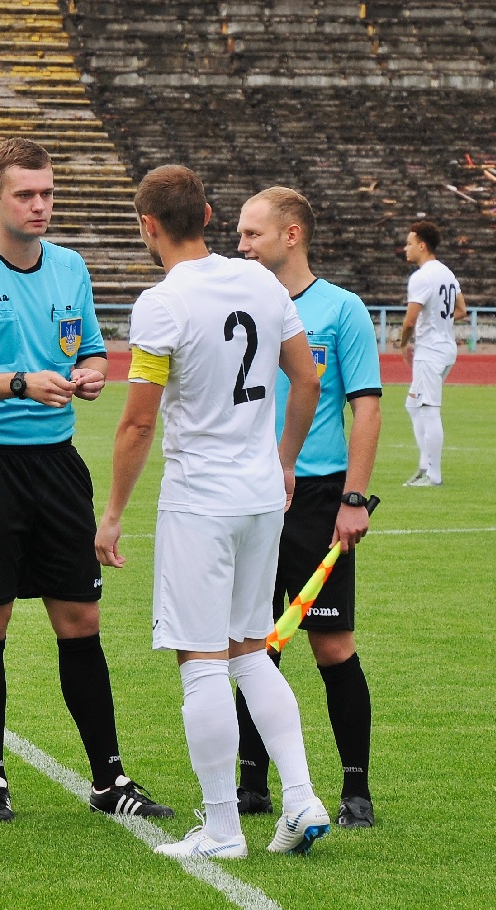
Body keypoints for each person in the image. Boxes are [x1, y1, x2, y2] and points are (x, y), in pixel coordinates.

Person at [0, 137, 172, 823]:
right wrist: (18, 383)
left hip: (56, 465)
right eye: (25, 194)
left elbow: (91, 349)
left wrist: (90, 374)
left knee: (80, 618)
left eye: (47, 193)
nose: (39, 205)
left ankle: (109, 779)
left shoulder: (69, 267)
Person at [95, 165, 326, 859]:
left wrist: (112, 513)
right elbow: (306, 377)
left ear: (148, 226)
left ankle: (223, 828)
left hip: (201, 501)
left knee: (201, 662)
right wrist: (284, 461)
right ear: (207, 215)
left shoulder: (161, 303)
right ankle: (302, 797)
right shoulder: (260, 280)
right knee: (251, 650)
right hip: (260, 496)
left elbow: (138, 423)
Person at [233, 187, 382, 828]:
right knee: (252, 645)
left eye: (252, 234)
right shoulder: (240, 304)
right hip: (249, 493)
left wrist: (353, 499)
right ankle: (252, 784)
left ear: (290, 235)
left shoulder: (342, 309)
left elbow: (367, 408)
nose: (241, 245)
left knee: (331, 645)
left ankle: (355, 789)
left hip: (319, 499)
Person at [397, 220, 466, 487]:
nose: (406, 248)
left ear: (422, 246)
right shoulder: (447, 273)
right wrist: (439, 321)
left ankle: (433, 475)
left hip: (430, 352)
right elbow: (461, 310)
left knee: (428, 409)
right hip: (446, 348)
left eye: (409, 243)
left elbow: (410, 320)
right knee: (413, 404)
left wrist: (403, 343)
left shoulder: (421, 277)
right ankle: (425, 465)